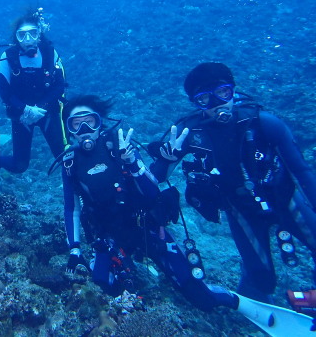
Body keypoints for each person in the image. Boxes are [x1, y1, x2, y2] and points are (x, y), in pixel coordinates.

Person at [149, 62, 316, 303]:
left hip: (286, 199)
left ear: (233, 91)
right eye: (205, 99)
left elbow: (301, 171)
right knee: (261, 280)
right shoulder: (189, 133)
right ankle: (253, 296)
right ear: (196, 103)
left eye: (223, 92)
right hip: (240, 210)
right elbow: (158, 177)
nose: (217, 103)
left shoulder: (263, 123)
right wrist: (166, 158)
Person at [61, 94, 239, 312]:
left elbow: (152, 191)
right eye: (76, 124)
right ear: (70, 130)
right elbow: (71, 208)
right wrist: (75, 250)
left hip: (147, 228)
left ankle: (233, 299)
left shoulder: (120, 146)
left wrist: (131, 162)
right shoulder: (70, 162)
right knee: (103, 290)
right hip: (108, 236)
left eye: (90, 122)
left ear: (100, 122)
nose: (84, 130)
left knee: (202, 298)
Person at [0, 8, 66, 173]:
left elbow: (60, 85)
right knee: (19, 165)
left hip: (47, 112)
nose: (28, 39)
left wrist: (40, 107)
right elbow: (4, 92)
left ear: (39, 34)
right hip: (22, 116)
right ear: (16, 37)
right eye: (22, 35)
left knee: (64, 158)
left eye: (33, 33)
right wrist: (25, 109)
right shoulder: (8, 57)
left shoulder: (50, 53)